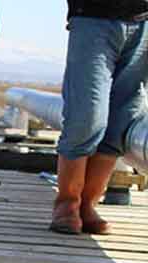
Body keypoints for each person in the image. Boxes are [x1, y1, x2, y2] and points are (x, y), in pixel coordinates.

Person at [51, 0, 148, 235]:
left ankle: (87, 205)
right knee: (87, 117)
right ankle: (67, 203)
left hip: (143, 23)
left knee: (122, 121)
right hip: (93, 17)